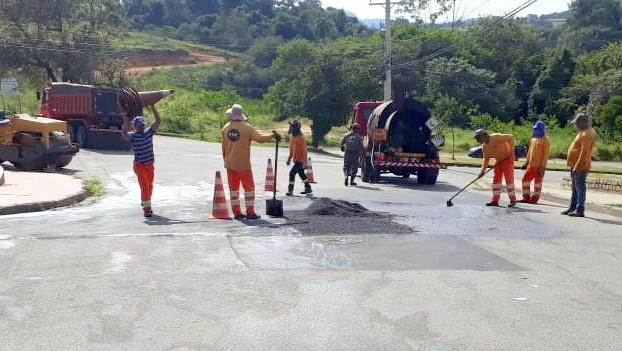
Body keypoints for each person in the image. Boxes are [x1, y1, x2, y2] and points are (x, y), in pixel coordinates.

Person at [221, 104, 280, 220]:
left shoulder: (225, 128)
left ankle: (237, 213)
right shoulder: (247, 128)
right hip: (243, 165)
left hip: (230, 164)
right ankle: (250, 212)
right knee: (249, 189)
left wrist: (226, 161)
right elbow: (260, 139)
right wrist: (273, 135)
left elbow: (223, 147)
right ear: (241, 115)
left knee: (234, 190)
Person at [121, 105, 162, 218]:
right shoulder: (133, 136)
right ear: (135, 127)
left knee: (149, 187)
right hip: (139, 166)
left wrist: (153, 106)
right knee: (145, 187)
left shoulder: (149, 132)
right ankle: (147, 209)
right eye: (139, 125)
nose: (141, 127)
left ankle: (145, 201)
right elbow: (124, 133)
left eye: (143, 125)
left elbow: (158, 121)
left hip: (150, 165)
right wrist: (125, 118)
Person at [562, 113, 597, 217]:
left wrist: (577, 166)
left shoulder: (587, 133)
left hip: (581, 165)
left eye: (577, 122)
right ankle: (573, 207)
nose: (576, 125)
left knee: (579, 187)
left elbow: (584, 152)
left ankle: (580, 209)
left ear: (583, 122)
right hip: (576, 164)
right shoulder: (582, 132)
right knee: (575, 187)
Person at [475, 129, 517, 208]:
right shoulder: (484, 147)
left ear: (484, 135)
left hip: (508, 160)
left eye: (479, 137)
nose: (478, 140)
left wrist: (511, 152)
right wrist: (482, 171)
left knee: (509, 182)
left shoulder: (496, 137)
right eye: (477, 138)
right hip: (499, 162)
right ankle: (495, 201)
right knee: (496, 182)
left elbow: (510, 137)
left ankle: (513, 200)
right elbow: (486, 159)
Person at [520, 121, 551, 204]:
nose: (534, 130)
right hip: (531, 165)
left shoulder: (545, 140)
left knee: (538, 183)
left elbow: (546, 155)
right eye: (534, 129)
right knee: (525, 180)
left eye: (536, 129)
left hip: (539, 166)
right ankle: (526, 198)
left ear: (541, 129)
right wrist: (526, 163)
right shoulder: (533, 139)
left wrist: (543, 167)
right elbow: (529, 152)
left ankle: (534, 199)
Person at [286, 120, 312, 196]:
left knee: (292, 173)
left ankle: (290, 190)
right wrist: (289, 158)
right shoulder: (292, 137)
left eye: (292, 126)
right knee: (301, 174)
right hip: (296, 159)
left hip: (300, 160)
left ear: (296, 128)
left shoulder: (301, 138)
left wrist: (304, 162)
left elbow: (304, 150)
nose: (290, 128)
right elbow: (291, 149)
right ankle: (308, 187)